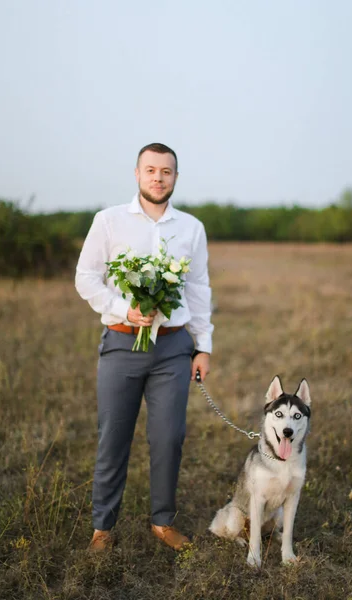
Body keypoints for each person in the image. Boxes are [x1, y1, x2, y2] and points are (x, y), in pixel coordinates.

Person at [75, 142, 213, 552]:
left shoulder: (191, 228)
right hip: (121, 343)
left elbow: (200, 289)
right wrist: (123, 308)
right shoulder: (109, 221)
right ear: (137, 174)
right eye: (151, 170)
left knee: (169, 437)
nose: (158, 177)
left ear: (175, 177)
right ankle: (103, 526)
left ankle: (163, 521)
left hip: (173, 349)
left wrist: (203, 346)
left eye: (166, 171)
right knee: (113, 436)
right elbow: (86, 278)